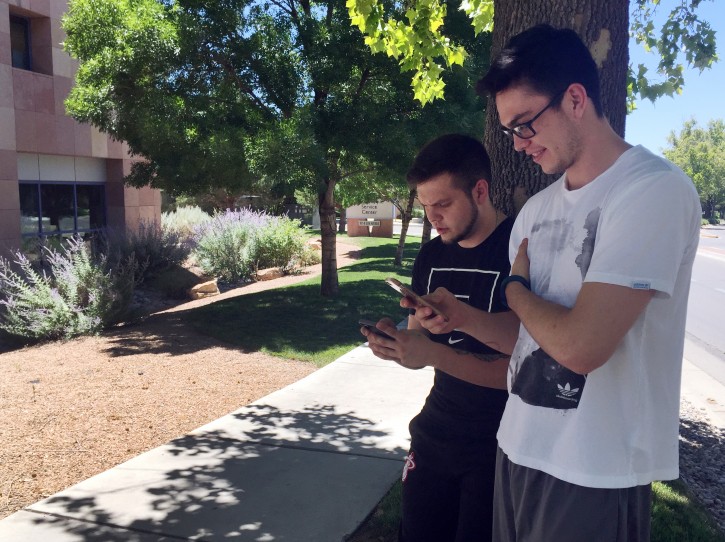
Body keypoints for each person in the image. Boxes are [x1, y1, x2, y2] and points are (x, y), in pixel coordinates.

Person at [408, 25, 702, 542]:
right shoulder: (537, 212)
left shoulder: (651, 191)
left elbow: (581, 348)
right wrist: (461, 318)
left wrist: (516, 292)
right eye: (508, 131)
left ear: (574, 98)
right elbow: (528, 342)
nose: (519, 144)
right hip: (516, 447)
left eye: (524, 124)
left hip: (594, 469)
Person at [360, 133, 518, 542]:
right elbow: (419, 352)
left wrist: (433, 349)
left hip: (499, 444)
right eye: (426, 206)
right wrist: (397, 346)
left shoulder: (518, 248)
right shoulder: (432, 255)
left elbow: (519, 369)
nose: (433, 218)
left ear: (480, 191)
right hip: (436, 430)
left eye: (443, 204)